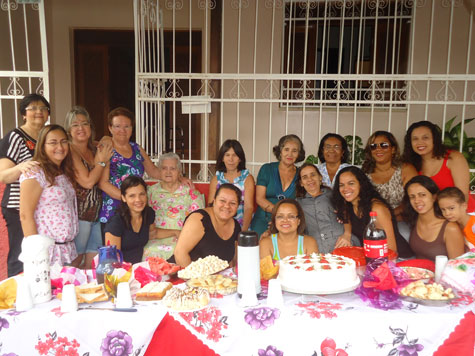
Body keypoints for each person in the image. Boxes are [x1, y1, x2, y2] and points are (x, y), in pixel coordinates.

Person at [0, 94, 50, 276]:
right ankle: (15, 296)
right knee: (22, 253)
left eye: (43, 108)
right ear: (23, 114)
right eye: (33, 108)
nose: (39, 112)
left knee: (40, 253)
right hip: (19, 206)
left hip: (43, 208)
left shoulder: (46, 137)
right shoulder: (15, 137)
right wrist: (20, 167)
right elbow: (3, 175)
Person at [19, 124, 79, 265]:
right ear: (42, 146)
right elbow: (25, 215)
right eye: (53, 142)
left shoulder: (63, 171)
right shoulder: (35, 172)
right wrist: (37, 255)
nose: (60, 147)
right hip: (47, 252)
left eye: (64, 141)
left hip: (67, 249)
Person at [98, 107, 163, 231]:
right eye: (117, 126)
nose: (122, 130)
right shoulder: (106, 148)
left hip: (135, 211)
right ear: (110, 128)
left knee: (134, 248)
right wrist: (129, 199)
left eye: (127, 126)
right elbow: (102, 183)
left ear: (132, 129)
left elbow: (153, 171)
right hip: (114, 210)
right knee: (114, 249)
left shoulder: (137, 148)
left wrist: (176, 177)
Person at [64, 106, 113, 268]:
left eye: (84, 124)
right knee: (75, 261)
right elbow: (87, 182)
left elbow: (108, 141)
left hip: (95, 215)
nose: (80, 128)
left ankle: (88, 293)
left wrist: (106, 139)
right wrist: (101, 162)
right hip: (79, 216)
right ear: (69, 130)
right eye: (75, 125)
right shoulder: (70, 150)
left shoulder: (93, 148)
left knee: (93, 262)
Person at [332, 166, 413, 257]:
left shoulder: (377, 208)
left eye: (351, 183)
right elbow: (347, 219)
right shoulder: (348, 204)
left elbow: (391, 250)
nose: (345, 189)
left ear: (361, 184)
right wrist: (347, 234)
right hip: (372, 258)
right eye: (341, 185)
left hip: (398, 260)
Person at [402, 120, 475, 212]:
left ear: (434, 140)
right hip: (433, 218)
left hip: (463, 214)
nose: (420, 142)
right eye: (415, 139)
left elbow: (463, 195)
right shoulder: (411, 165)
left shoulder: (453, 158)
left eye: (425, 137)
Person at [145, 152, 205, 260]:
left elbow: (199, 221)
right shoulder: (150, 193)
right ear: (159, 171)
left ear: (179, 171)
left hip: (183, 238)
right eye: (164, 168)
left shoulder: (190, 193)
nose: (168, 172)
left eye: (172, 168)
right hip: (155, 238)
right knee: (148, 251)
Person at [362, 131, 418, 240]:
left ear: (393, 149)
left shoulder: (405, 169)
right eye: (373, 146)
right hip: (374, 220)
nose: (378, 149)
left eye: (384, 145)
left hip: (403, 219)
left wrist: (388, 216)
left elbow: (412, 199)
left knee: (404, 235)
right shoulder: (365, 173)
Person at [173, 183, 241, 267]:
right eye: (222, 201)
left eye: (233, 203)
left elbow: (232, 262)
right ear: (214, 200)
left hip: (214, 278)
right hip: (181, 274)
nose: (227, 206)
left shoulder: (236, 226)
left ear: (238, 206)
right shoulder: (199, 219)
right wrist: (196, 279)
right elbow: (180, 253)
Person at [251, 134, 306, 237]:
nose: (290, 154)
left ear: (299, 154)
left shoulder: (301, 174)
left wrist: (283, 218)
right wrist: (278, 214)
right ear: (280, 151)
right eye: (286, 149)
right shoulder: (266, 169)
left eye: (294, 151)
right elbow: (259, 198)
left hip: (288, 222)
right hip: (263, 218)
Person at [296, 163, 357, 253]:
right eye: (305, 177)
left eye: (313, 175)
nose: (310, 179)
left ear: (320, 177)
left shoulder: (334, 195)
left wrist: (347, 235)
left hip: (342, 243)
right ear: (301, 183)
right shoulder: (298, 203)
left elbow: (346, 214)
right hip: (317, 250)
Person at [403, 176, 465, 261]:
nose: (417, 200)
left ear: (434, 197)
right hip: (418, 273)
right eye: (412, 197)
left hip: (444, 274)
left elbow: (458, 268)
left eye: (422, 195)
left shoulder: (450, 228)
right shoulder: (414, 220)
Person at [104, 175, 157, 264]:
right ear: (124, 198)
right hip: (122, 272)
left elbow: (153, 233)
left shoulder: (148, 213)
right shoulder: (116, 223)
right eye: (132, 196)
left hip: (140, 269)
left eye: (142, 194)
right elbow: (112, 260)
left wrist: (176, 232)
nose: (138, 199)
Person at [208, 139, 255, 231]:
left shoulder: (247, 178)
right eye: (227, 155)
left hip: (241, 223)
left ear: (240, 158)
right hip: (220, 223)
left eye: (234, 155)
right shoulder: (216, 179)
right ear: (222, 158)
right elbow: (211, 205)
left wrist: (243, 231)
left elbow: (249, 207)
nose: (231, 159)